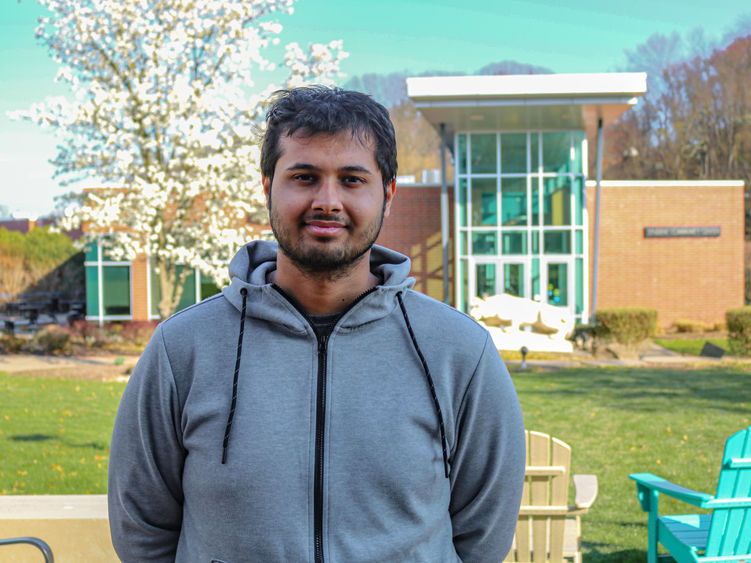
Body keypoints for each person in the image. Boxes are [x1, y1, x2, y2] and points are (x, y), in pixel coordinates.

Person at [108, 86, 526, 562]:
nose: (327, 201)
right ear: (268, 187)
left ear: (387, 195)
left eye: (352, 180)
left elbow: (484, 533)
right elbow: (141, 525)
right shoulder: (182, 348)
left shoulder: (459, 352)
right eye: (304, 177)